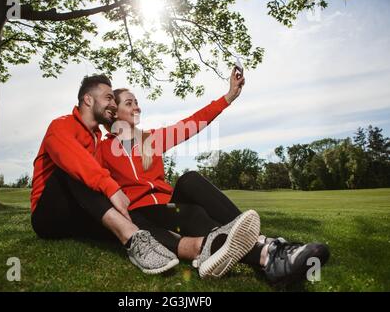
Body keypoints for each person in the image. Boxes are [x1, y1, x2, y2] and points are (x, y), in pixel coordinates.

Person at [98, 68, 330, 282]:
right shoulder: (103, 148)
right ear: (114, 111)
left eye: (137, 102)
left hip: (168, 205)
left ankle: (263, 244)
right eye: (129, 103)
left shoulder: (151, 139)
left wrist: (228, 96)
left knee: (190, 179)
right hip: (142, 214)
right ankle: (268, 255)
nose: (137, 107)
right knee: (192, 215)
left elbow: (193, 123)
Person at [30, 75, 183, 275]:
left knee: (130, 215)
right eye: (108, 98)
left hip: (79, 214)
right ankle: (132, 238)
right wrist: (111, 188)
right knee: (75, 170)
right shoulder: (61, 125)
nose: (113, 104)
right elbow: (76, 162)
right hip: (48, 214)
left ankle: (193, 247)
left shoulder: (98, 139)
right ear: (88, 100)